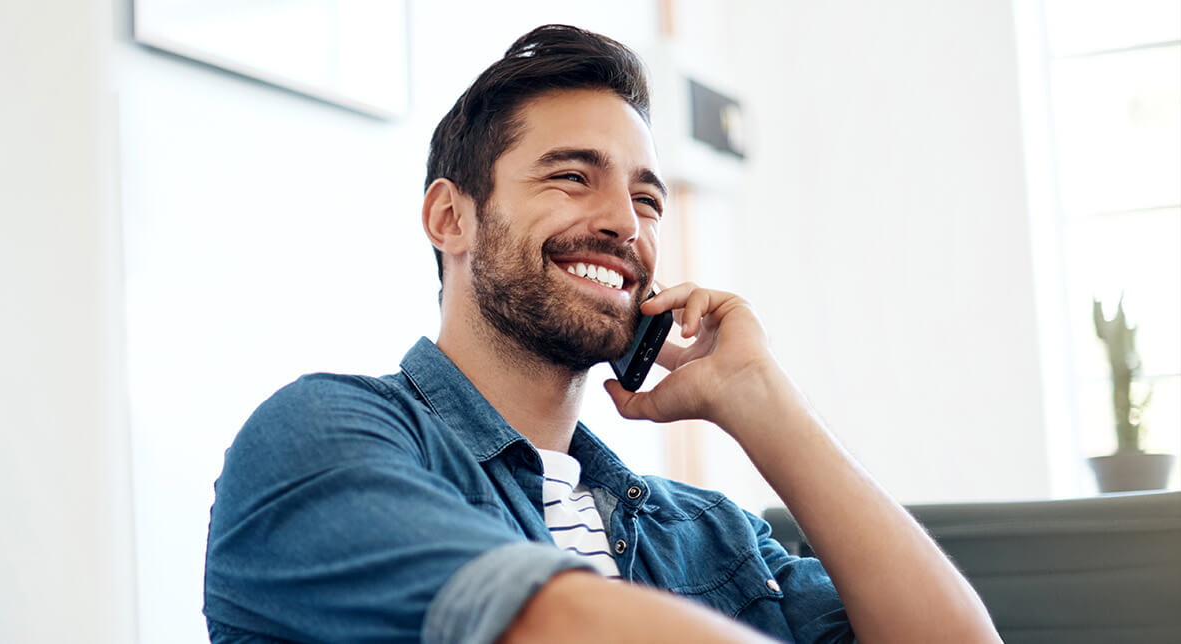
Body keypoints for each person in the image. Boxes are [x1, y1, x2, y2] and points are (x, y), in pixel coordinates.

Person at [203, 24, 1000, 644]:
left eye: (648, 200)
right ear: (452, 217)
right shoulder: (322, 439)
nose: (625, 223)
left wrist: (763, 402)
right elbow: (556, 625)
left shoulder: (710, 534)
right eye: (572, 176)